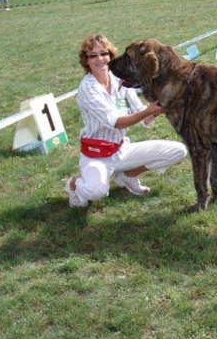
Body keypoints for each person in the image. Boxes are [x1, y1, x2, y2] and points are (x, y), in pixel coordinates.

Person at [64, 34, 187, 208]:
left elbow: (143, 117)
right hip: (96, 155)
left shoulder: (120, 81)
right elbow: (116, 122)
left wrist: (163, 105)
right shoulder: (88, 88)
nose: (100, 59)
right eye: (93, 55)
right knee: (97, 193)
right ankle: (74, 185)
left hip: (121, 149)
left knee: (178, 151)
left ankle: (127, 176)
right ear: (86, 61)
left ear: (111, 55)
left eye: (104, 53)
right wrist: (149, 109)